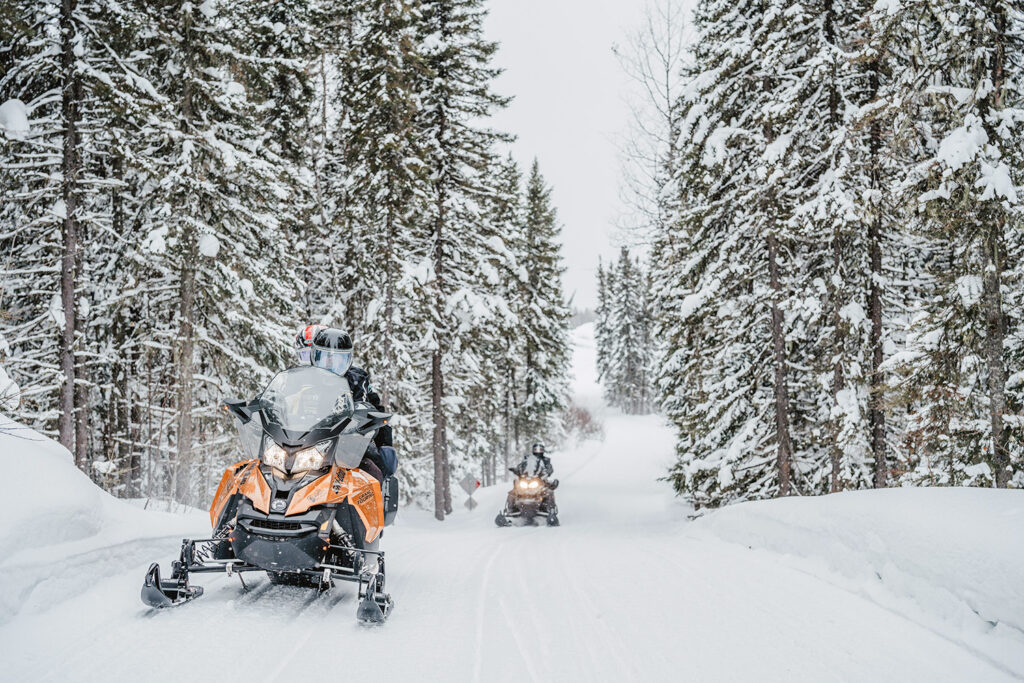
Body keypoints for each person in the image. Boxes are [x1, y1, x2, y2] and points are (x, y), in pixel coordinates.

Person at [310, 327, 396, 482]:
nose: (331, 363)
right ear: (315, 357)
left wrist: (361, 418)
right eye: (324, 357)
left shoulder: (356, 380)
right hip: (305, 439)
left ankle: (376, 501)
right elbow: (285, 402)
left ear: (347, 360)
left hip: (347, 441)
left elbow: (364, 405)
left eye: (338, 359)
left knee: (373, 468)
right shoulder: (305, 380)